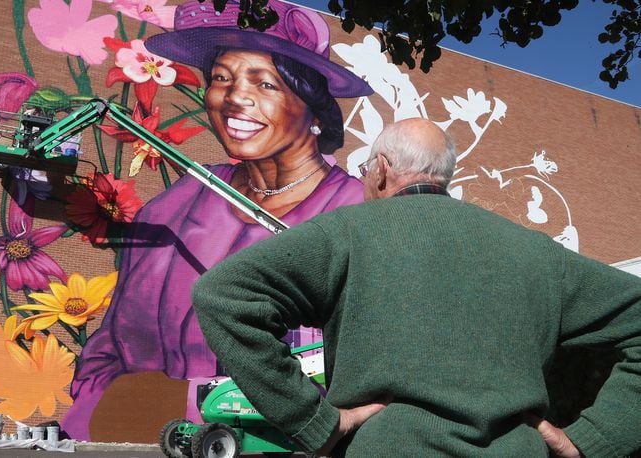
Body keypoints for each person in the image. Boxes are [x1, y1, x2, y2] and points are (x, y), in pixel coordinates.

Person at [191, 118, 641, 457]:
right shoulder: (535, 251)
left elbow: (223, 294)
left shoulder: (347, 233)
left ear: (382, 170)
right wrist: (594, 439)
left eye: (367, 169)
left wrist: (313, 421)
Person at [62, 0, 374, 440]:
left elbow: (359, 374)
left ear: (314, 110)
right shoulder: (177, 204)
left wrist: (178, 401)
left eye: (265, 83)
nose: (234, 98)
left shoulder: (360, 217)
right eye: (221, 78)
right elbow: (107, 353)